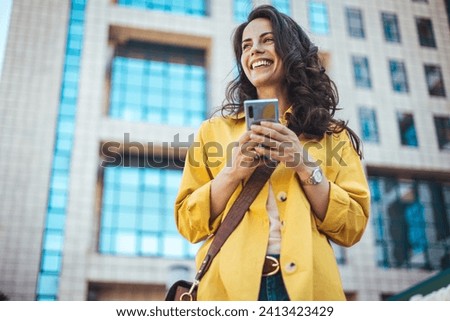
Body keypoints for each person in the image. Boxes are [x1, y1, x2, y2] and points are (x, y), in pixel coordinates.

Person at [174, 5, 370, 301]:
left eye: (267, 40)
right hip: (229, 291)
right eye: (246, 45)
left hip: (308, 292)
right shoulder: (213, 132)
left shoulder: (331, 135)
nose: (255, 50)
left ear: (291, 49)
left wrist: (305, 165)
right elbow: (189, 225)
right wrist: (232, 172)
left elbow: (352, 226)